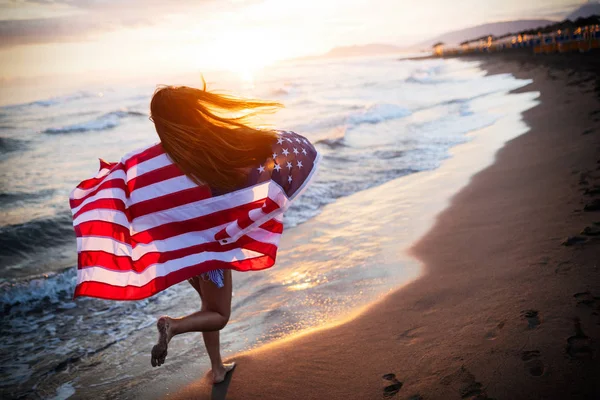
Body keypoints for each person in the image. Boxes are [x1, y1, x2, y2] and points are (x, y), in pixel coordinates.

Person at [69, 83, 320, 385]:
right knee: (220, 315)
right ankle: (172, 326)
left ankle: (217, 369)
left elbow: (142, 192)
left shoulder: (164, 158)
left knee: (208, 307)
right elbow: (259, 163)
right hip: (211, 247)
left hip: (185, 244)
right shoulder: (215, 146)